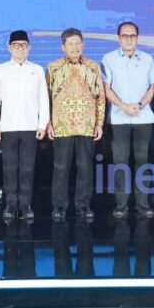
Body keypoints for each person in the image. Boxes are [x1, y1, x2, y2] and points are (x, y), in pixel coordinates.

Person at [0, 30, 49, 223]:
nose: (20, 49)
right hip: (7, 126)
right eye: (16, 45)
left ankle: (25, 205)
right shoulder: (0, 70)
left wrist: (42, 124)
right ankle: (10, 205)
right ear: (9, 48)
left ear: (29, 47)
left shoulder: (37, 70)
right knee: (9, 168)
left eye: (23, 45)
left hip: (30, 126)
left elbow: (43, 99)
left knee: (27, 169)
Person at [47, 28, 106, 222]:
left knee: (85, 167)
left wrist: (99, 123)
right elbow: (46, 97)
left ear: (83, 45)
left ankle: (83, 206)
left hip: (86, 125)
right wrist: (48, 123)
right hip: (61, 125)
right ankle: (59, 206)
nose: (75, 47)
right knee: (60, 168)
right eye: (70, 44)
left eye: (78, 43)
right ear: (63, 47)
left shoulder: (92, 67)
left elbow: (100, 97)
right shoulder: (53, 68)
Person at [101, 21, 154, 220]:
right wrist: (124, 106)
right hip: (119, 118)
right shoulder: (108, 59)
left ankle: (143, 204)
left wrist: (140, 105)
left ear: (137, 38)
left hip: (143, 117)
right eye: (124, 36)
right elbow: (107, 89)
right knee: (120, 162)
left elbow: (152, 87)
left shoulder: (148, 59)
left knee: (143, 162)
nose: (128, 39)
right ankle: (121, 205)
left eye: (132, 36)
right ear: (118, 38)